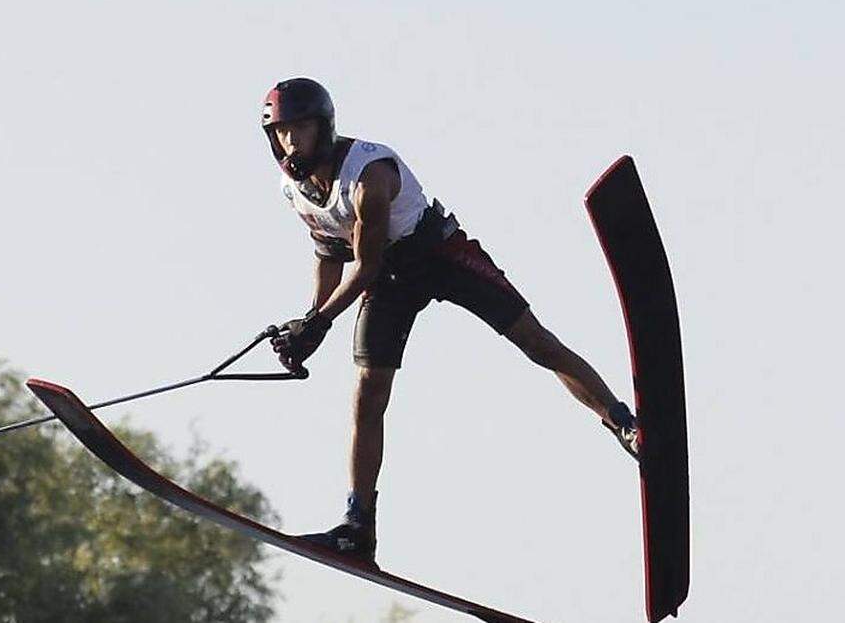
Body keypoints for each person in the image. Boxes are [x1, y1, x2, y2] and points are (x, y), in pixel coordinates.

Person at [263, 77, 639, 567]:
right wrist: (310, 319)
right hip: (390, 281)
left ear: (324, 127)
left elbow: (366, 262)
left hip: (439, 252)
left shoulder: (368, 174)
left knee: (535, 342)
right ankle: (358, 530)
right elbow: (329, 255)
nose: (291, 142)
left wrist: (321, 323)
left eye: (301, 129)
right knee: (367, 394)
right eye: (283, 132)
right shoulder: (294, 190)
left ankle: (626, 425)